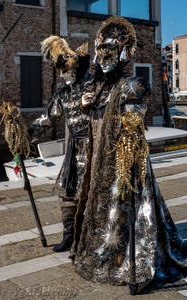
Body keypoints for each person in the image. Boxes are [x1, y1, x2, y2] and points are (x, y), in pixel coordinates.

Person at [70, 16, 187, 294]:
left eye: (110, 53)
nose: (104, 59)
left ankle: (131, 259)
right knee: (100, 209)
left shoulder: (131, 86)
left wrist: (129, 134)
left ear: (123, 54)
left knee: (128, 206)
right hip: (99, 163)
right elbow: (81, 124)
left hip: (125, 162)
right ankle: (106, 251)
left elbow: (134, 125)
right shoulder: (97, 89)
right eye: (101, 53)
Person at [31, 35, 90, 252]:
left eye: (67, 69)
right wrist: (25, 133)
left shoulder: (93, 87)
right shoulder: (63, 94)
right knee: (67, 191)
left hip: (94, 148)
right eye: (61, 70)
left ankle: (89, 238)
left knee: (91, 193)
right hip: (73, 150)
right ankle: (69, 236)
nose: (64, 74)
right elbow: (48, 118)